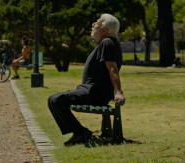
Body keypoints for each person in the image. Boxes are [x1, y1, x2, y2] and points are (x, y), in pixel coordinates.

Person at [47, 13, 126, 146]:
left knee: (56, 100)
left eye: (97, 22)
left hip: (94, 93)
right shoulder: (106, 43)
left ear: (104, 30)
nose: (93, 24)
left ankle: (81, 133)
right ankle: (79, 132)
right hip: (89, 91)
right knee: (53, 100)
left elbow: (113, 69)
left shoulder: (107, 43)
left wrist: (118, 91)